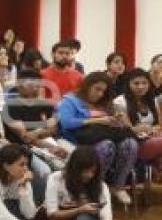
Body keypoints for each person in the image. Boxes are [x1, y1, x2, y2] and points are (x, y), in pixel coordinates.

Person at [58, 72, 138, 205]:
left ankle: (118, 186)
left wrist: (116, 121)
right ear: (87, 85)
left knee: (131, 143)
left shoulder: (105, 103)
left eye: (103, 91)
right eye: (97, 89)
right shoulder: (70, 100)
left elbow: (112, 125)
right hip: (78, 141)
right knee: (106, 145)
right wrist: (98, 120)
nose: (100, 94)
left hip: (102, 136)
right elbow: (66, 123)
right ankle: (94, 187)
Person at [3, 69, 72, 204]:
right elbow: (25, 137)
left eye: (38, 83)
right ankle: (44, 204)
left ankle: (65, 200)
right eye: (31, 83)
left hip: (46, 142)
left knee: (72, 159)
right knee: (44, 170)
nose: (36, 87)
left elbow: (53, 129)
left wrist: (37, 133)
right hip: (22, 149)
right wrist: (48, 142)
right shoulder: (10, 107)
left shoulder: (45, 104)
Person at [113, 68, 162, 170]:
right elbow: (127, 130)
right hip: (135, 142)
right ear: (128, 84)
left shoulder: (153, 100)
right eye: (136, 83)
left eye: (144, 83)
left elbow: (159, 125)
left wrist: (153, 129)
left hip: (154, 138)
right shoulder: (120, 102)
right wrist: (142, 129)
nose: (141, 87)